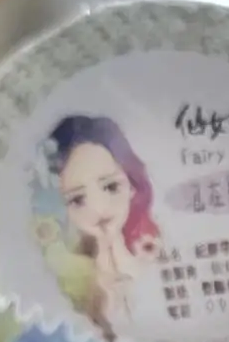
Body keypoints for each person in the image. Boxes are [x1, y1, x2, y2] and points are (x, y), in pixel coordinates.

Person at [45, 114, 163, 329]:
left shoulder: (149, 251)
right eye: (77, 199)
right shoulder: (73, 276)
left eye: (111, 187)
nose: (98, 208)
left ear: (132, 185)